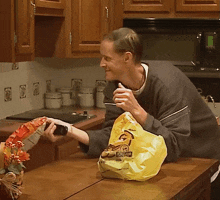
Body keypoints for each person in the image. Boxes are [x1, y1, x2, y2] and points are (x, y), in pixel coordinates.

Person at [44, 27, 220, 199]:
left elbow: (173, 146)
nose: (101, 64)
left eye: (107, 58)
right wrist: (70, 131)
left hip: (199, 158)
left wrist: (137, 111)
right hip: (159, 162)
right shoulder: (115, 86)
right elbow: (114, 140)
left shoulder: (167, 84)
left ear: (127, 57)